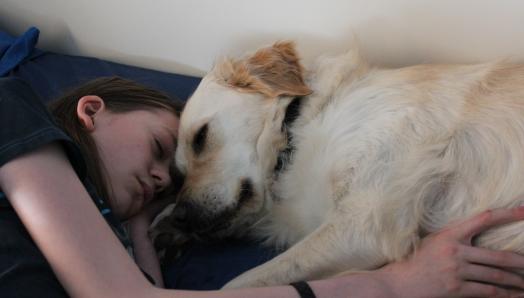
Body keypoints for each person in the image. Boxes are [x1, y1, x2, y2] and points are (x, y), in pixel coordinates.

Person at [0, 76, 524, 298]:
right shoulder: (10, 107)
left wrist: (137, 217)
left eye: (168, 183)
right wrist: (392, 286)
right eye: (161, 146)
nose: (164, 178)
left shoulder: (90, 238)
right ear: (92, 110)